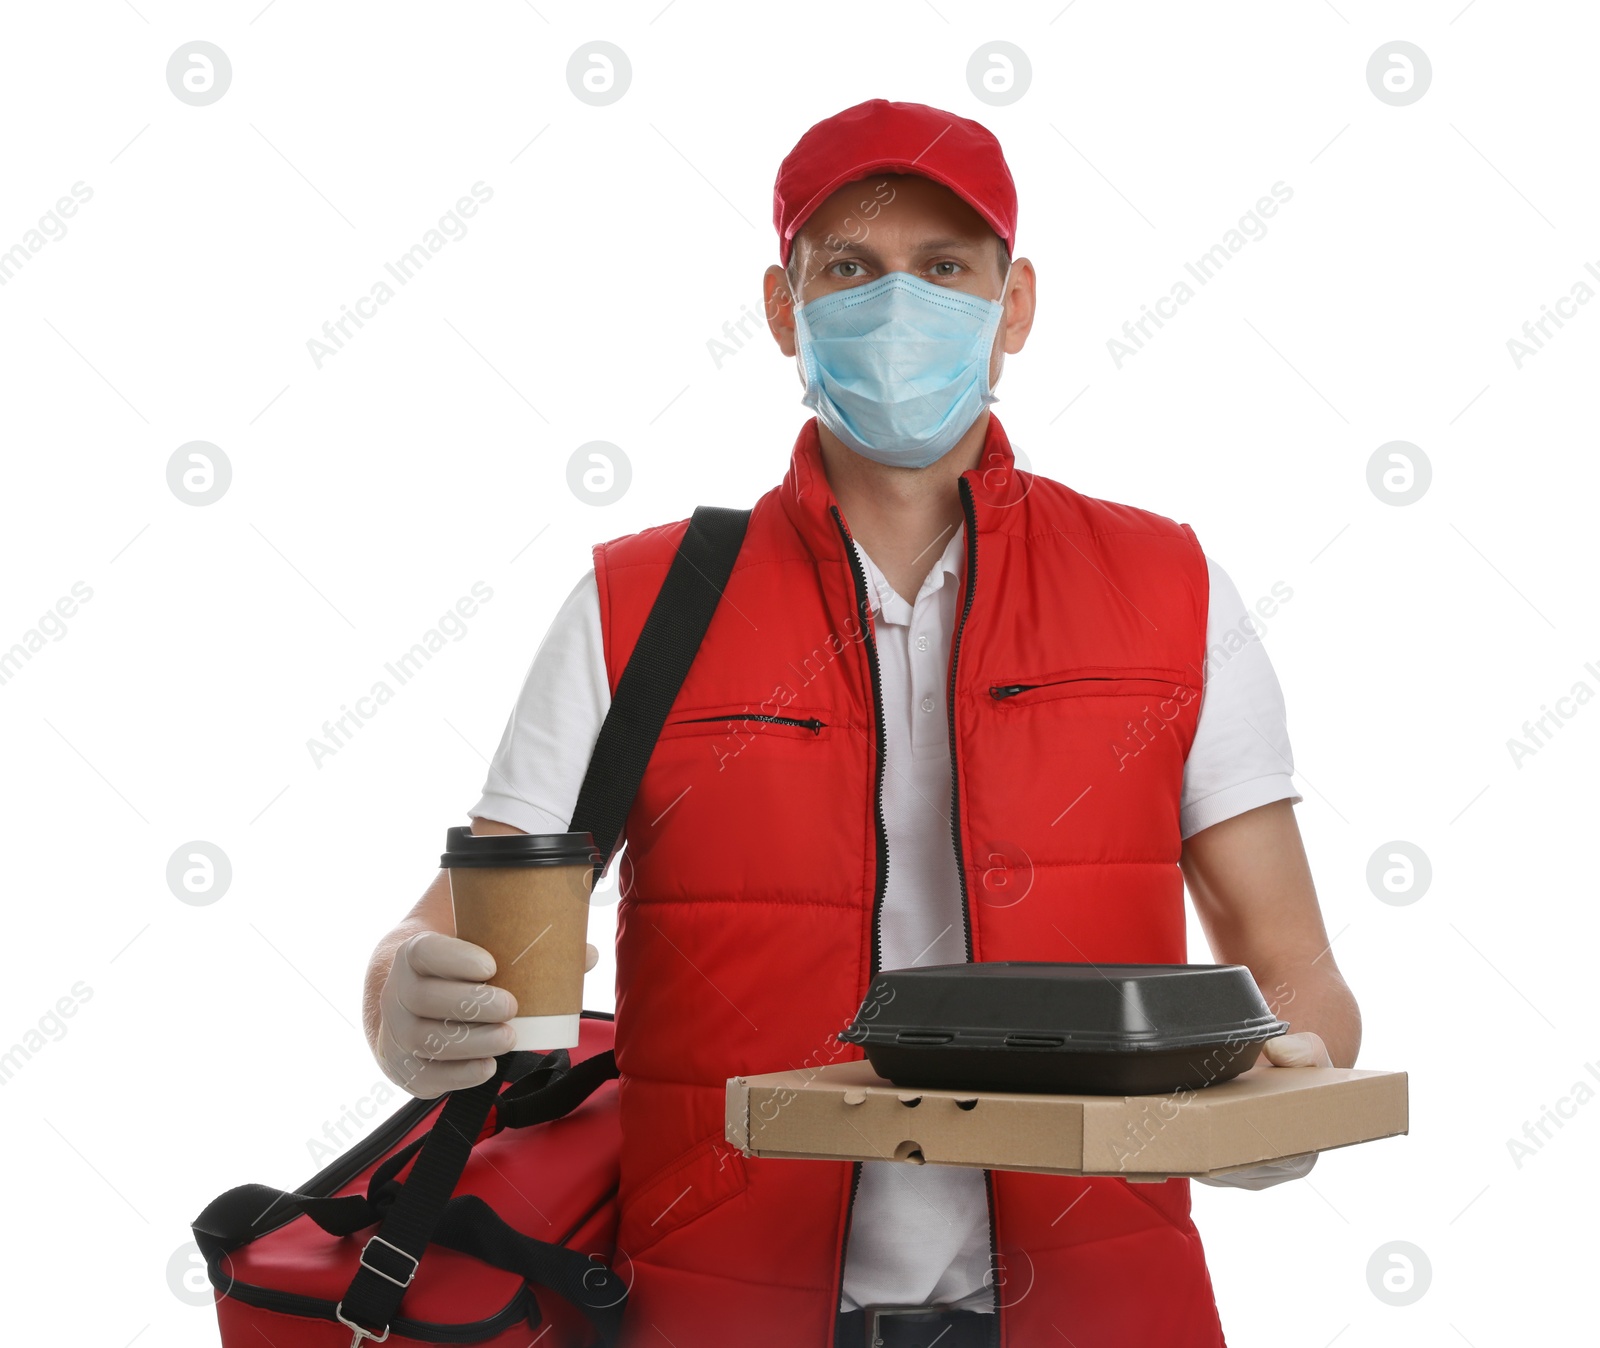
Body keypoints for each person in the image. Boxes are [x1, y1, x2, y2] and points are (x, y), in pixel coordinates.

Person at [361, 98, 1360, 1348]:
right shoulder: (641, 603)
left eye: (944, 268)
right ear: (784, 308)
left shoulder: (1168, 589)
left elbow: (1295, 967)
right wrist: (399, 995)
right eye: (850, 268)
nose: (898, 307)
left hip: (1097, 1312)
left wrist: (1285, 1090)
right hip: (720, 1308)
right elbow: (458, 929)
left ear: (1016, 305)